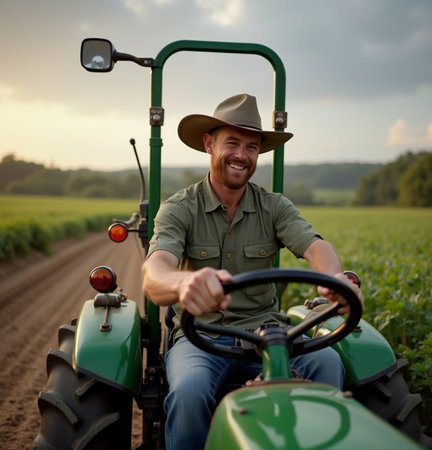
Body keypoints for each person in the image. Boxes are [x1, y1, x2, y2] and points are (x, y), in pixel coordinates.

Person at [142, 93, 364, 449]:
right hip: (202, 338)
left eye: (252, 146)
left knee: (326, 363)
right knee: (188, 392)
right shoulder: (180, 208)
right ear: (209, 143)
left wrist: (336, 278)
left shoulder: (274, 206)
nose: (242, 156)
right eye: (232, 143)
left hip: (269, 336)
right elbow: (156, 273)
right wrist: (185, 283)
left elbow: (315, 247)